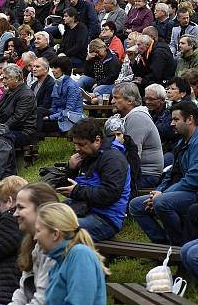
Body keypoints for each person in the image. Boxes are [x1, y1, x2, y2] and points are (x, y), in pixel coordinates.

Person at [129, 101, 198, 245]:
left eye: (176, 119)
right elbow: (170, 174)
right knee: (136, 205)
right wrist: (158, 191)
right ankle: (162, 246)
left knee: (162, 202)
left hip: (194, 193)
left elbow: (193, 178)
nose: (172, 123)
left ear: (190, 119)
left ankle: (179, 245)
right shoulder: (182, 142)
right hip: (184, 190)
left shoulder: (196, 143)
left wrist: (163, 195)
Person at [57, 118, 131, 242]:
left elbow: (110, 194)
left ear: (97, 140)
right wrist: (71, 169)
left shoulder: (113, 159)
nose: (77, 148)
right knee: (44, 217)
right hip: (83, 208)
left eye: (81, 144)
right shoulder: (88, 155)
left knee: (57, 230)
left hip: (105, 218)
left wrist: (77, 191)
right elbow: (65, 186)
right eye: (75, 144)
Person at [35, 203, 109, 305]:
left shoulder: (80, 255)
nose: (35, 237)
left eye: (38, 231)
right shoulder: (58, 262)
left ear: (55, 234)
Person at [113, 82, 164, 188]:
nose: (112, 101)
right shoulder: (132, 116)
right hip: (143, 172)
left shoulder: (137, 118)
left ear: (130, 101)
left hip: (146, 175)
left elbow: (133, 156)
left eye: (116, 98)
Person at [0, 64, 37, 147]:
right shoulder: (10, 91)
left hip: (22, 132)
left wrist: (0, 129)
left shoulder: (26, 95)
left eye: (6, 78)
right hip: (8, 128)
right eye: (3, 78)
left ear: (16, 78)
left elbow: (18, 118)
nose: (3, 81)